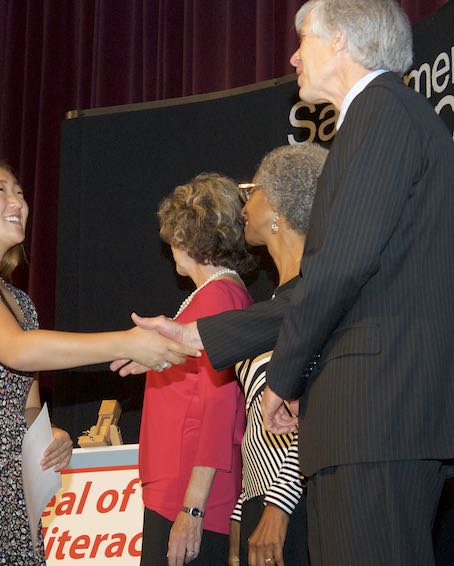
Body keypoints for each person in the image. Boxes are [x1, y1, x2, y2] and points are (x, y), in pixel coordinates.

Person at [118, 1, 454, 564]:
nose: (294, 56)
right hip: (371, 419)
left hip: (376, 413)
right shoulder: (384, 119)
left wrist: (284, 375)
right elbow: (325, 280)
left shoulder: (381, 113)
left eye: (305, 40)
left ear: (343, 41)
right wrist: (200, 338)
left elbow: (339, 269)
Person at [0, 155, 199, 565]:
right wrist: (126, 343)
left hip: (7, 483)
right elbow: (16, 348)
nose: (18, 200)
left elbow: (27, 402)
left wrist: (49, 434)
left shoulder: (22, 303)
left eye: (19, 191)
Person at [139, 173, 255, 566]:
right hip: (179, 489)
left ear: (185, 238)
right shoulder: (217, 295)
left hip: (188, 493)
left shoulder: (219, 298)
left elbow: (219, 411)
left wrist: (192, 509)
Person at [230, 143, 327, 566]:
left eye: (251, 189)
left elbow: (316, 407)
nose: (244, 202)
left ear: (278, 206)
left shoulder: (312, 296)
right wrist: (241, 512)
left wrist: (279, 506)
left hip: (296, 503)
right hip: (262, 503)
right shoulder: (274, 302)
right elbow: (257, 425)